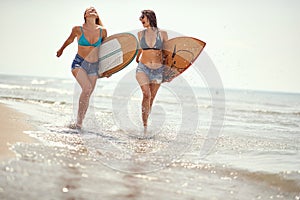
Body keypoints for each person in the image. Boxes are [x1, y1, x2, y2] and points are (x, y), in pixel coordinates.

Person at [56, 7, 107, 129]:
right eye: (90, 10)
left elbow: (105, 50)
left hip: (94, 66)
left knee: (87, 93)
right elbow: (69, 40)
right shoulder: (78, 29)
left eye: (94, 10)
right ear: (85, 15)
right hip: (79, 63)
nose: (93, 10)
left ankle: (79, 122)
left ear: (97, 15)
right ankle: (78, 123)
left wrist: (107, 69)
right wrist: (61, 50)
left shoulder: (103, 31)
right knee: (87, 88)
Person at [135, 10, 168, 134]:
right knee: (146, 94)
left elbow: (167, 53)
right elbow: (140, 48)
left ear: (149, 17)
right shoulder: (140, 34)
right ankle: (144, 126)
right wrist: (137, 58)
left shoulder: (163, 34)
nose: (140, 19)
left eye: (142, 17)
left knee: (151, 99)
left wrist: (169, 73)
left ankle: (145, 125)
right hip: (143, 68)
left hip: (158, 70)